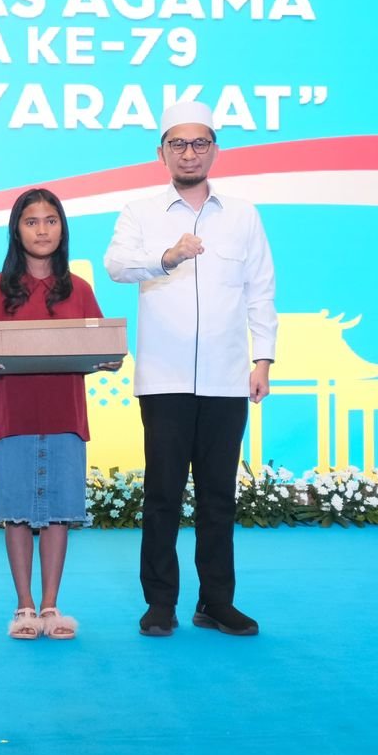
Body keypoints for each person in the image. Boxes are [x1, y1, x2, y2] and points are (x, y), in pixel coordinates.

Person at [105, 100, 276, 637]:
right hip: (165, 378)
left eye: (199, 142)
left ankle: (216, 602)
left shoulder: (243, 215)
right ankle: (160, 603)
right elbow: (115, 265)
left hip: (227, 378)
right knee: (162, 496)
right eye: (177, 143)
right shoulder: (140, 212)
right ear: (160, 153)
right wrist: (167, 257)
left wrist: (263, 359)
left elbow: (261, 290)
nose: (189, 153)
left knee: (219, 498)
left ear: (215, 150)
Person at [0, 188, 119, 640]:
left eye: (50, 221)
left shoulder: (79, 289)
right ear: (16, 230)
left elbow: (102, 343)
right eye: (31, 222)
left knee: (60, 512)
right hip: (13, 415)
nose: (42, 230)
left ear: (62, 229)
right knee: (17, 513)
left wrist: (110, 358)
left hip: (65, 415)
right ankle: (24, 606)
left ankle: (51, 606)